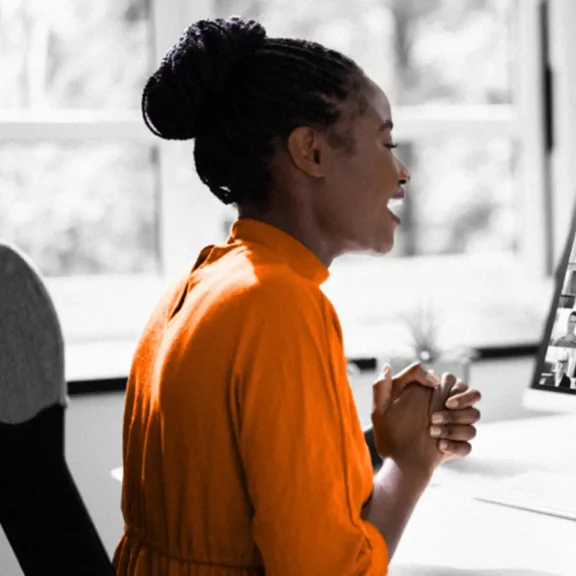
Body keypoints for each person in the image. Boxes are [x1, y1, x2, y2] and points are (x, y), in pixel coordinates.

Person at [117, 17, 483, 575]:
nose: (403, 172)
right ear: (310, 152)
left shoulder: (202, 283)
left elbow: (245, 492)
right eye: (386, 142)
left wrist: (375, 446)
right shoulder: (281, 304)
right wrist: (411, 464)